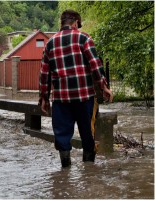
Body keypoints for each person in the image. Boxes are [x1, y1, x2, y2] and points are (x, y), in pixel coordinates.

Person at [39, 10, 113, 168]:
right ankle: (88, 173)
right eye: (78, 25)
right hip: (84, 96)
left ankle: (65, 172)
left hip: (60, 99)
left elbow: (44, 74)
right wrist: (104, 87)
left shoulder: (49, 44)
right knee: (88, 134)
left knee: (62, 136)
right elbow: (95, 64)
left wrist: (44, 99)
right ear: (75, 22)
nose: (78, 28)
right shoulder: (84, 38)